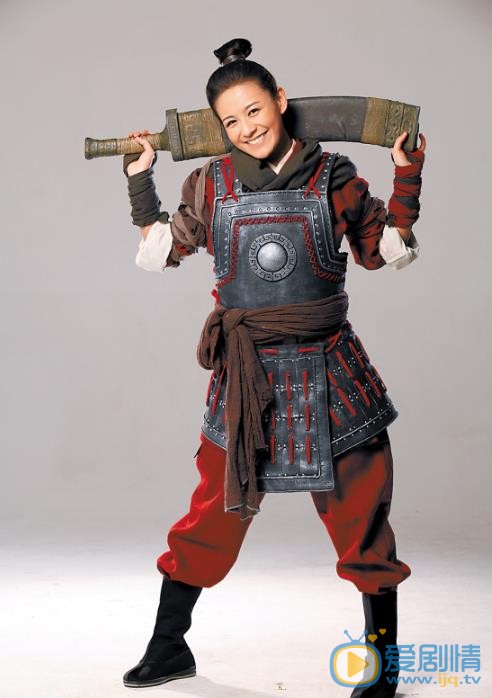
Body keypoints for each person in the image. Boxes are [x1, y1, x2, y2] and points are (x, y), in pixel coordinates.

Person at [121, 38, 426, 696]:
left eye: (255, 110)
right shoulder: (210, 184)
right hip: (246, 374)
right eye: (231, 120)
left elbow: (385, 251)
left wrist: (406, 178)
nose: (247, 128)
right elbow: (161, 250)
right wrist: (141, 180)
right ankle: (169, 646)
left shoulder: (336, 178)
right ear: (218, 127)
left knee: (363, 517)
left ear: (280, 101)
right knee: (211, 514)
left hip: (331, 372)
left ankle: (384, 668)